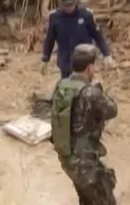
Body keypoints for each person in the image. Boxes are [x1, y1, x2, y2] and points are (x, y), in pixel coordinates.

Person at [51, 44, 118, 204]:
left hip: (67, 157)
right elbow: (112, 110)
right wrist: (100, 89)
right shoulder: (91, 92)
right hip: (84, 161)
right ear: (90, 68)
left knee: (86, 197)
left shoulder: (62, 85)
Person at [41, 0, 114, 79]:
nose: (69, 8)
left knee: (85, 89)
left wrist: (107, 54)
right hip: (65, 61)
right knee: (68, 89)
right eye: (66, 5)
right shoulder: (55, 18)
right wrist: (45, 58)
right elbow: (49, 39)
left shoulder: (86, 15)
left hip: (85, 62)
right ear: (61, 3)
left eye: (71, 5)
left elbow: (98, 36)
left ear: (75, 2)